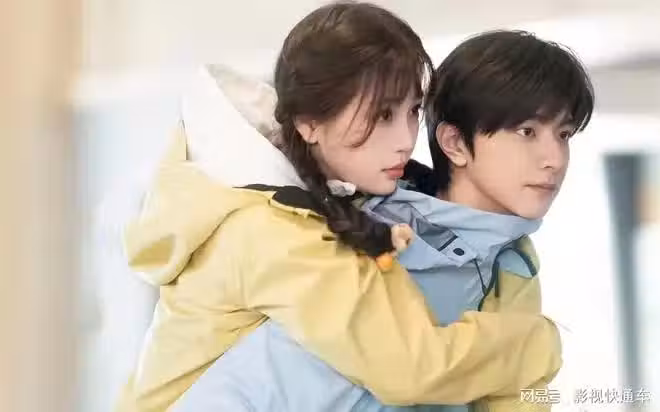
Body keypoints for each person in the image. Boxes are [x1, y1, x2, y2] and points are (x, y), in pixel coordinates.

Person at [116, 3, 566, 412]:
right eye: (382, 115)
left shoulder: (353, 208)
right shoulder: (270, 229)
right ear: (309, 123)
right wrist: (538, 341)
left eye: (412, 111)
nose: (405, 139)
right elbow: (407, 367)